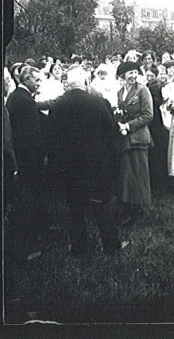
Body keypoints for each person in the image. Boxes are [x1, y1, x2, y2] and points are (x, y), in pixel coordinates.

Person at [47, 67, 127, 256]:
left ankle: (78, 248)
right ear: (85, 82)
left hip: (69, 167)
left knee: (75, 208)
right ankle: (111, 246)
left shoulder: (58, 106)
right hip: (97, 166)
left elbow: (51, 138)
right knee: (101, 205)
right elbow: (112, 133)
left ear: (68, 84)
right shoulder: (100, 103)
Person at [5, 65, 47, 261]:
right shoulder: (25, 100)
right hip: (28, 158)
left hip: (21, 156)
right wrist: (42, 154)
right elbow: (32, 134)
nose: (39, 83)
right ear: (27, 80)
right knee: (30, 198)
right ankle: (33, 236)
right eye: (37, 80)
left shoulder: (17, 97)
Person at [115, 61, 154, 226]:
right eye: (129, 73)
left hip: (138, 137)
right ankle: (128, 207)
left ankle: (138, 210)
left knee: (138, 174)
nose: (133, 76)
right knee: (127, 175)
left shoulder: (142, 90)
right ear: (122, 75)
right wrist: (118, 115)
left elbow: (148, 115)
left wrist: (128, 125)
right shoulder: (120, 91)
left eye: (135, 72)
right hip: (126, 138)